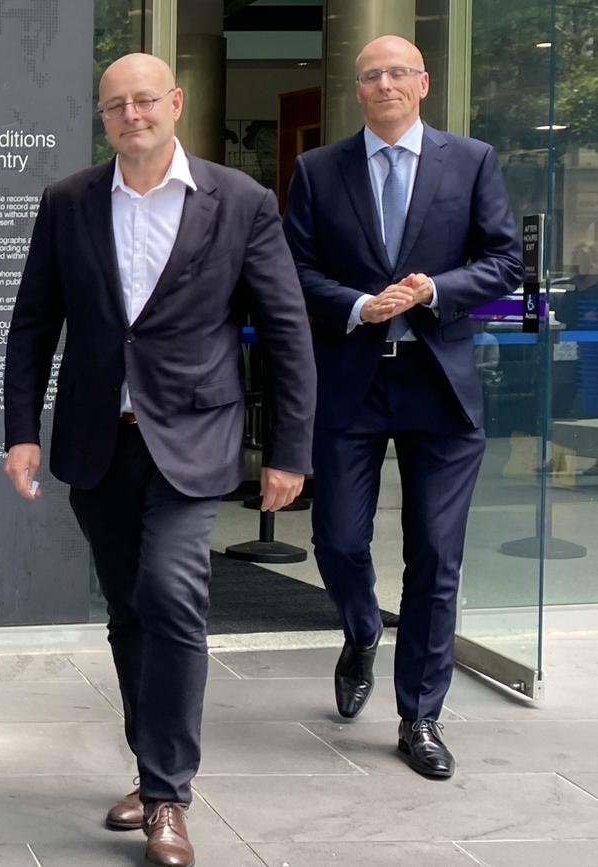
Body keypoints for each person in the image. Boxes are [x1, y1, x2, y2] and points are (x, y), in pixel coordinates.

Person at [3, 53, 316, 866]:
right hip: (98, 441)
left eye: (145, 100)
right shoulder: (68, 201)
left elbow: (285, 330)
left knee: (172, 594)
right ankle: (150, 772)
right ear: (102, 117)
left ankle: (170, 796)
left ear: (175, 103)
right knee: (128, 609)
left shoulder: (239, 200)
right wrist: (21, 431)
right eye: (115, 105)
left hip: (194, 437)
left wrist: (288, 449)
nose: (131, 115)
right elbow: (33, 321)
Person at [283, 35, 523, 778]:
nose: (383, 84)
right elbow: (293, 269)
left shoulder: (472, 160)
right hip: (353, 379)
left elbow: (505, 259)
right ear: (357, 90)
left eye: (397, 73)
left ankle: (420, 715)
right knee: (340, 540)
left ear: (422, 83)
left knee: (435, 557)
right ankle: (360, 628)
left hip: (440, 383)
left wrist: (433, 290)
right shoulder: (318, 170)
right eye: (370, 76)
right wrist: (359, 303)